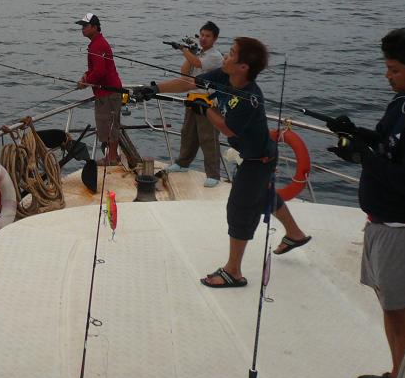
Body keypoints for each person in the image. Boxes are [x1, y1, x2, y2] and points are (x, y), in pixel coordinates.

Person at [133, 37, 310, 288]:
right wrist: (154, 88)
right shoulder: (226, 76)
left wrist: (205, 108)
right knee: (263, 195)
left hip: (257, 161)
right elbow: (190, 82)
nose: (226, 57)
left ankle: (233, 272)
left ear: (243, 67)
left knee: (239, 209)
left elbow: (227, 129)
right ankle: (295, 234)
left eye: (231, 54)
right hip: (256, 155)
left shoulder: (249, 98)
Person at [325, 27, 405, 378]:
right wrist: (357, 135)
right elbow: (387, 143)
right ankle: (398, 375)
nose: (386, 75)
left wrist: (364, 157)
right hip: (381, 225)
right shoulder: (401, 103)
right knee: (391, 314)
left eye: (393, 70)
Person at [165, 21, 225, 187]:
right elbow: (184, 72)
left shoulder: (215, 56)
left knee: (208, 138)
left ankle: (213, 175)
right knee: (187, 134)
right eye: (202, 35)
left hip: (209, 103)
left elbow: (199, 65)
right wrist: (189, 53)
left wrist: (184, 50)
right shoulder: (198, 54)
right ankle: (182, 163)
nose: (204, 39)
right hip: (193, 99)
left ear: (215, 39)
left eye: (208, 36)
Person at [75, 12, 124, 167]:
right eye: (81, 26)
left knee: (108, 125)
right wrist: (86, 76)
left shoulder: (97, 45)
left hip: (108, 93)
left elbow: (100, 72)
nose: (82, 29)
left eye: (85, 26)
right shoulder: (97, 43)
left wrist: (86, 82)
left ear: (95, 27)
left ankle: (111, 158)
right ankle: (112, 156)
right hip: (109, 91)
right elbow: (96, 69)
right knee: (110, 124)